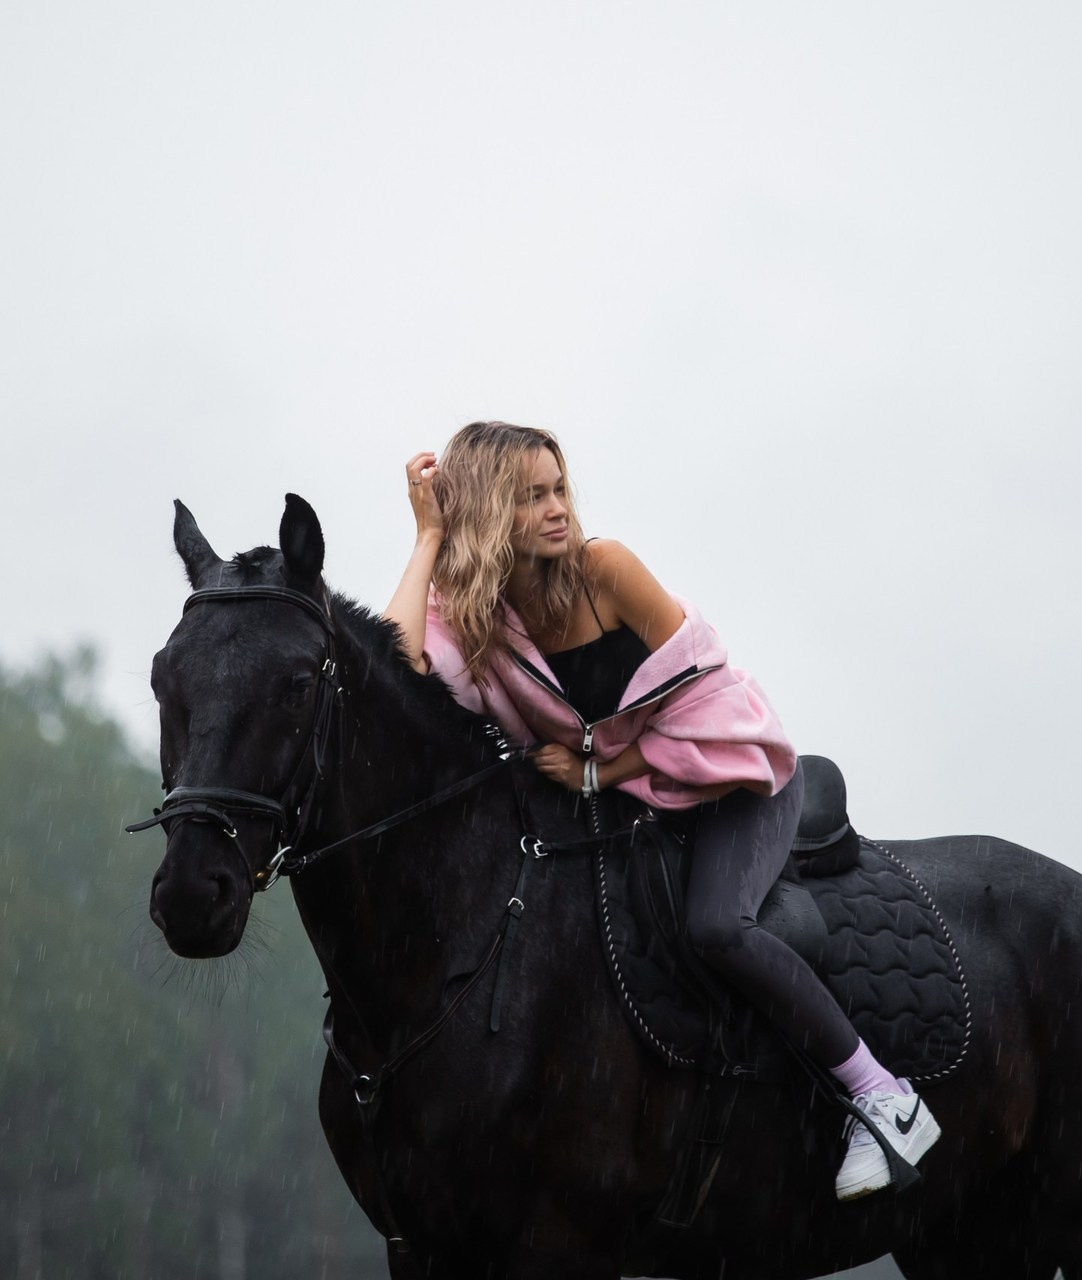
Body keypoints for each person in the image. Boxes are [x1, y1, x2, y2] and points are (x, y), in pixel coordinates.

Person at [383, 420, 939, 1200]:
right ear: (483, 511)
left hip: (737, 779)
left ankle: (883, 1095)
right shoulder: (480, 621)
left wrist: (598, 768)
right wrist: (428, 537)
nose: (556, 510)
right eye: (529, 497)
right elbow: (403, 670)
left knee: (716, 926)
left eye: (558, 490)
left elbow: (714, 709)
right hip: (629, 800)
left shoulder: (605, 571)